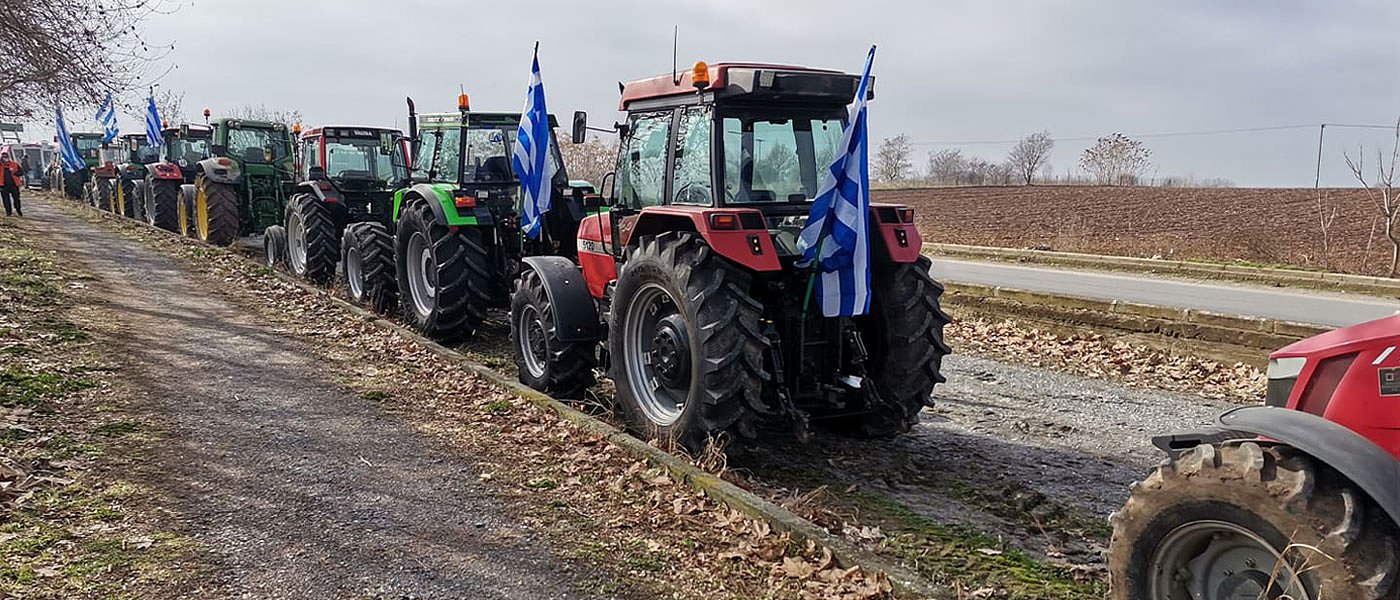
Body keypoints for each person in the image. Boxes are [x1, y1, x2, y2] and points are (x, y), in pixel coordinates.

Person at [0, 151, 22, 217]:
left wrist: (16, 173)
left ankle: (18, 209)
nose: (5, 159)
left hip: (14, 185)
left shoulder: (14, 164)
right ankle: (8, 212)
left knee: (16, 198)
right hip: (3, 185)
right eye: (4, 157)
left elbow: (21, 172)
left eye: (6, 157)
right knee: (6, 200)